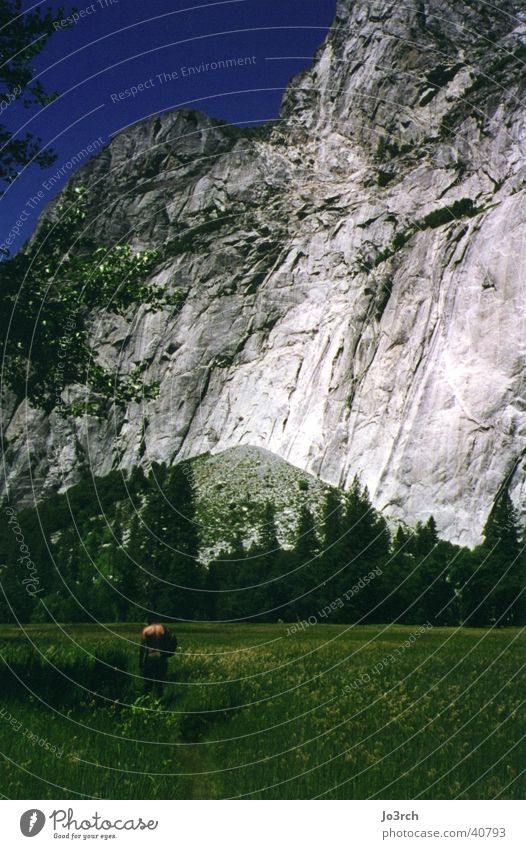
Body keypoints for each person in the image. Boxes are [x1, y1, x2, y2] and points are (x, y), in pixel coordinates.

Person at [139, 616, 177, 697]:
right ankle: (159, 703)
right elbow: (173, 639)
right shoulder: (164, 629)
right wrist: (170, 652)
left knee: (148, 683)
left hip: (150, 656)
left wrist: (141, 662)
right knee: (159, 684)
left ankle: (146, 702)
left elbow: (142, 648)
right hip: (161, 657)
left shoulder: (146, 630)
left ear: (150, 620)